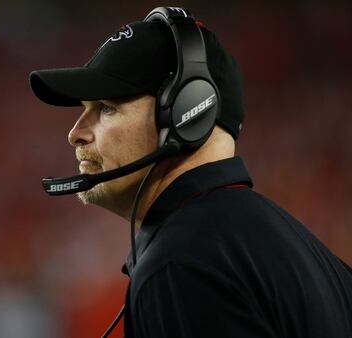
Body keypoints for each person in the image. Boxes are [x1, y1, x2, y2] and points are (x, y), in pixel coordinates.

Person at [29, 7, 352, 338]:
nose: (75, 133)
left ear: (186, 112)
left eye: (107, 108)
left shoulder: (180, 263)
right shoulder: (313, 258)